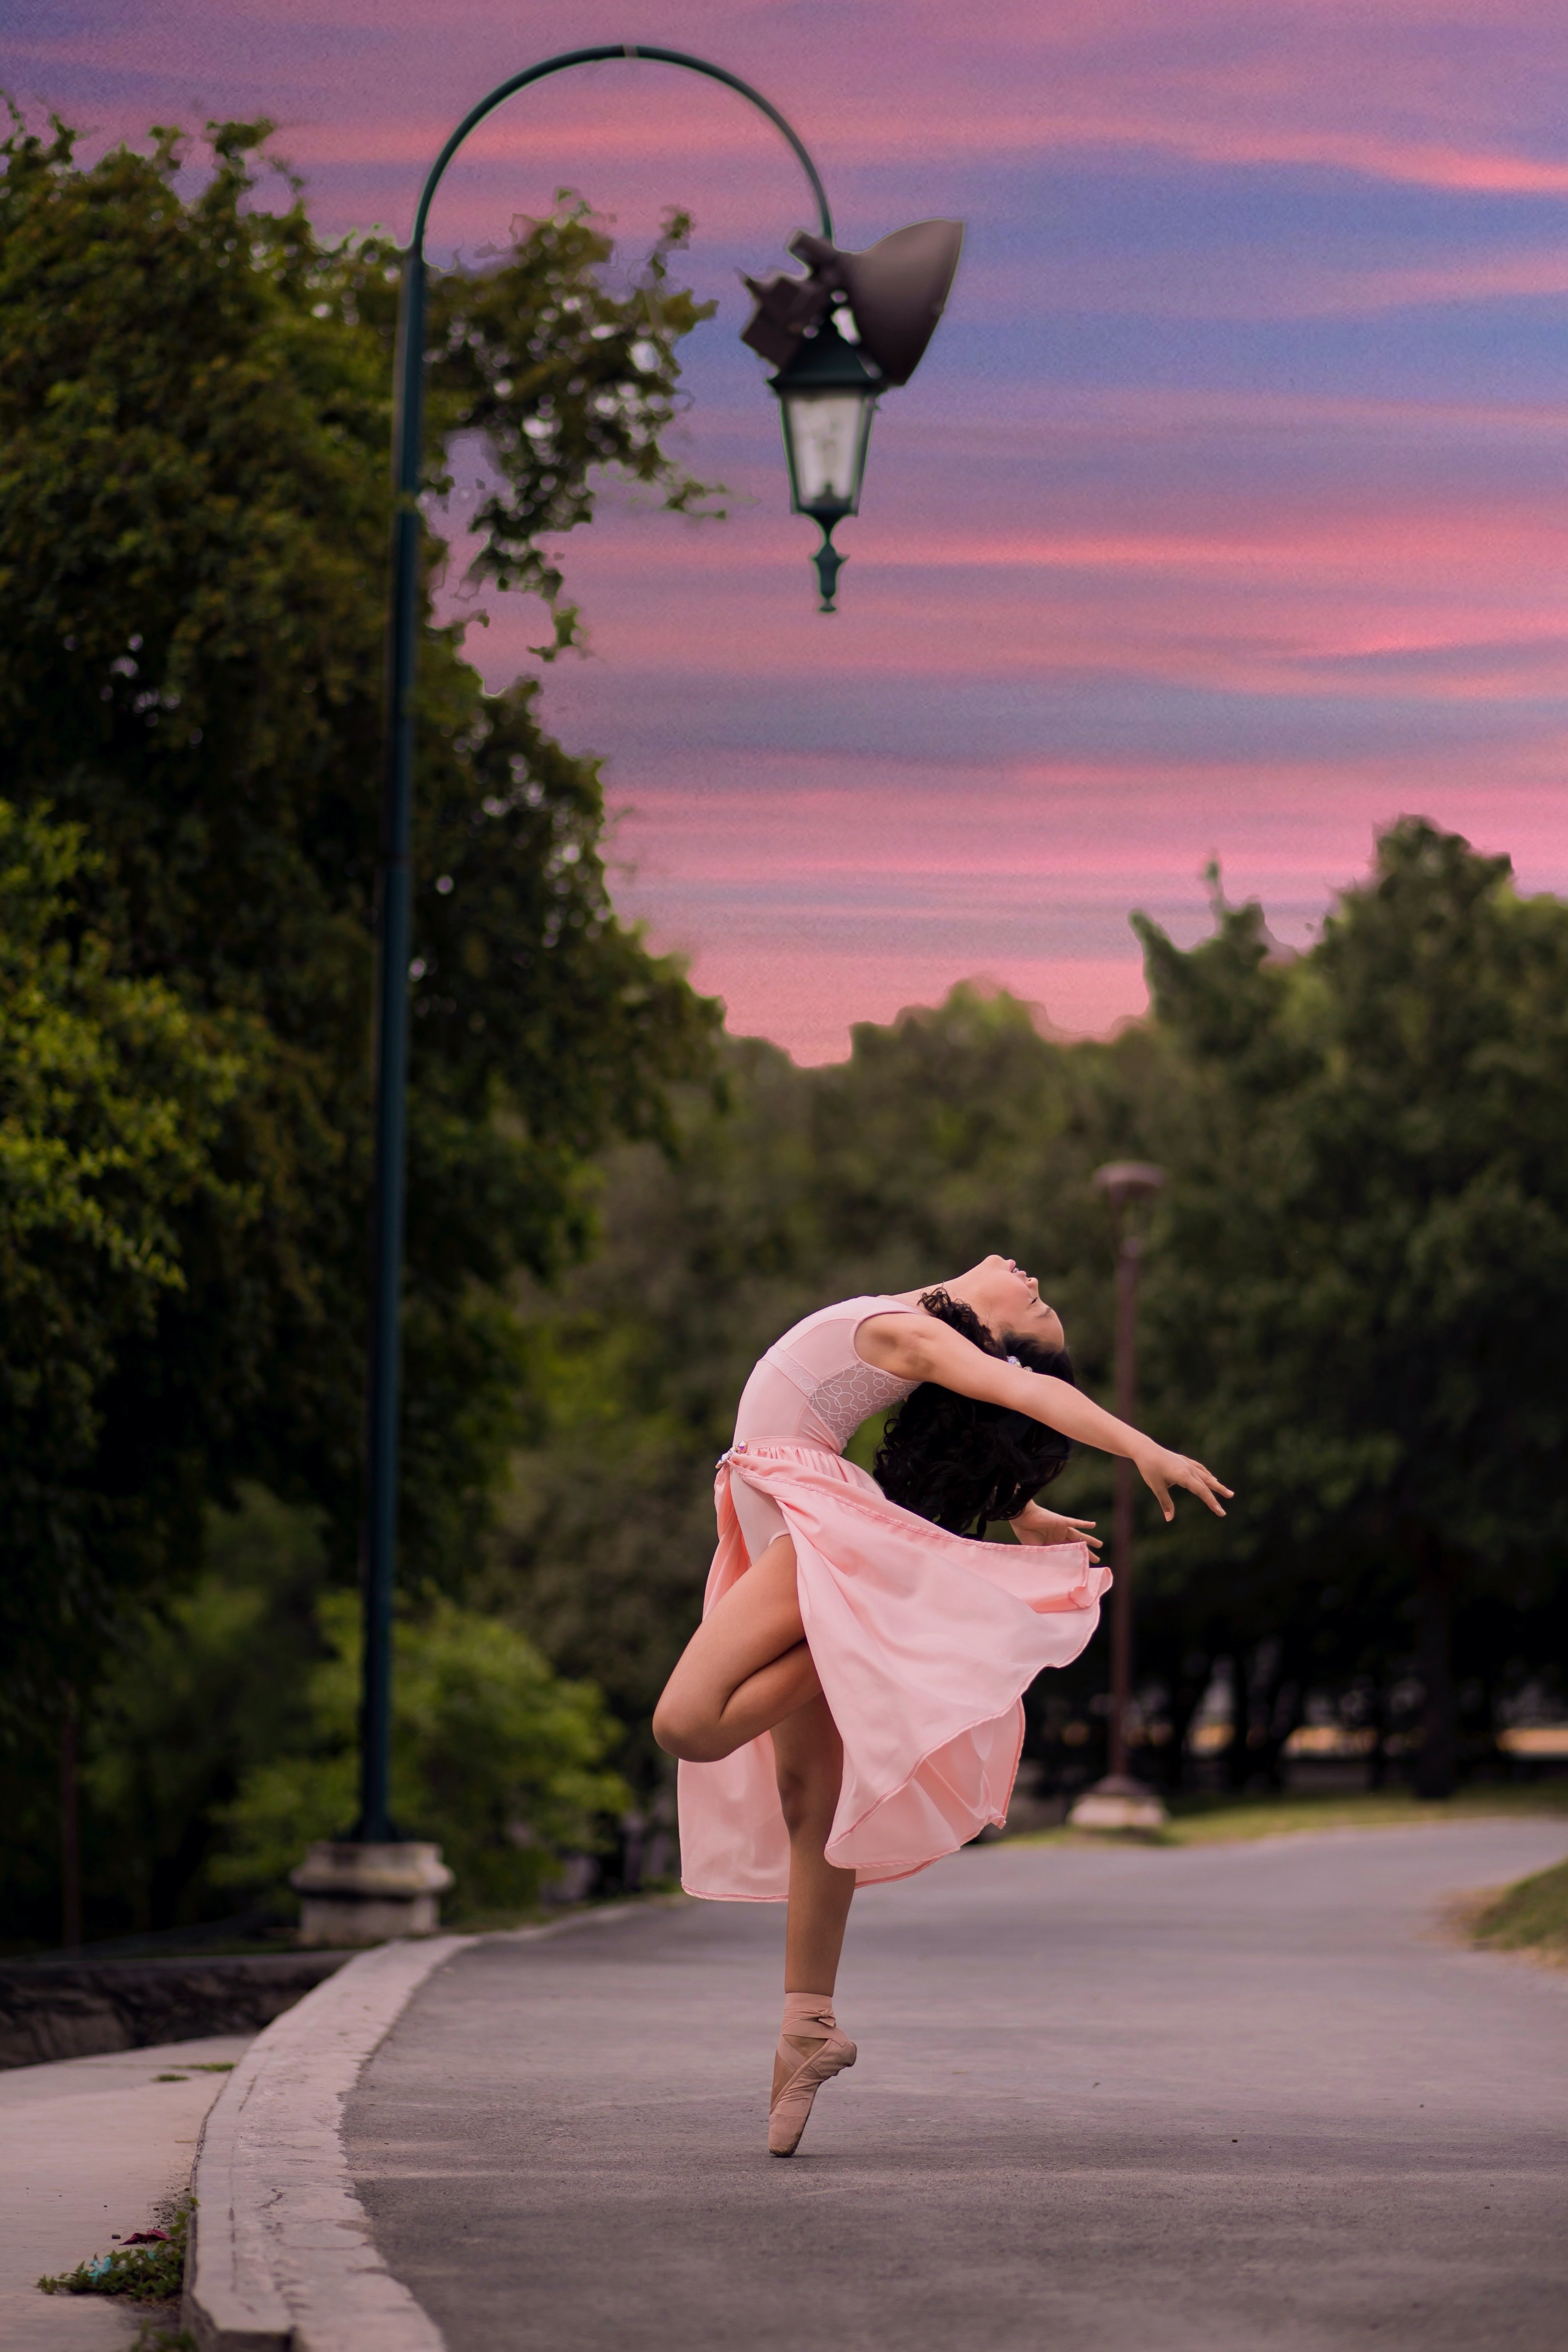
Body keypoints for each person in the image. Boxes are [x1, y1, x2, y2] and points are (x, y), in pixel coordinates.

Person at [652, 1255, 1229, 2157]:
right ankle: (808, 2026)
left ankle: (861, 1635)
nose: (1033, 1277)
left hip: (811, 1521)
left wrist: (1142, 1447)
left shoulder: (908, 1332)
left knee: (685, 1723)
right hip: (796, 1512)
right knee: (813, 1801)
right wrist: (1022, 1507)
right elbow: (978, 1414)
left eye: (1036, 1307)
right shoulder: (907, 1323)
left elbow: (1022, 1396)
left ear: (993, 1337)